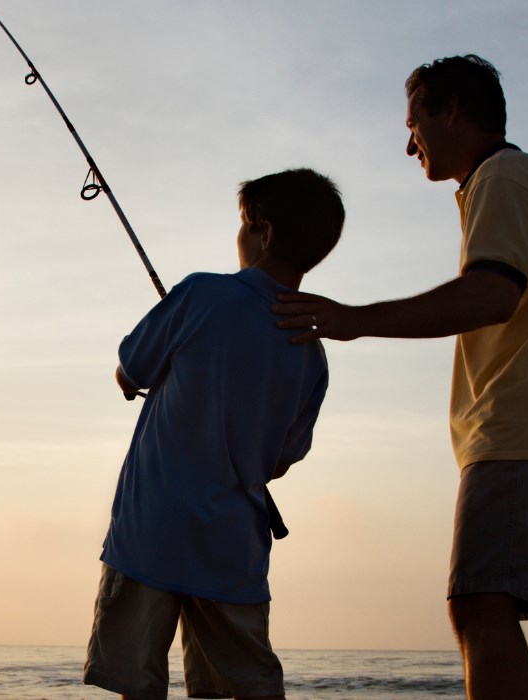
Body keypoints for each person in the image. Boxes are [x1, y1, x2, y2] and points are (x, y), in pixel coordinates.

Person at [271, 56, 528, 700]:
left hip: (522, 432)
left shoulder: (504, 178)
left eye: (415, 125)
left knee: (480, 606)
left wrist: (355, 319)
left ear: (453, 111)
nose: (410, 145)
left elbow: (491, 293)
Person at [84, 168, 344, 700]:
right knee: (239, 687)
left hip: (148, 533)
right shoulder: (312, 353)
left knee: (137, 683)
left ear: (264, 233)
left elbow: (130, 369)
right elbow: (280, 460)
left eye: (243, 224)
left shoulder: (201, 293)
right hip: (232, 550)